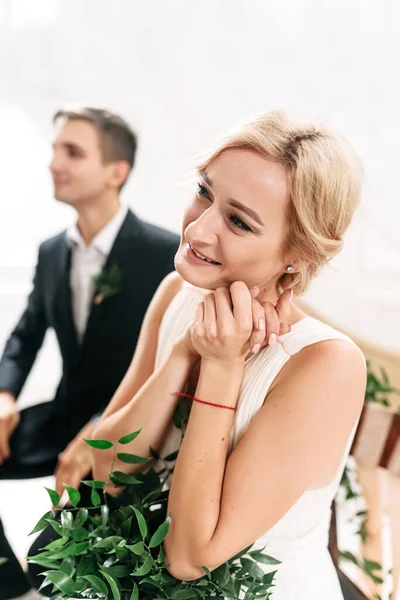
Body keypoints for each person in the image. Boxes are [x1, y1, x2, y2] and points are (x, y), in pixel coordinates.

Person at [86, 110, 366, 600]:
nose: (197, 230)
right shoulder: (177, 292)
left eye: (238, 221)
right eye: (204, 192)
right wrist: (183, 352)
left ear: (297, 254)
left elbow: (190, 556)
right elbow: (106, 471)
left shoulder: (326, 364)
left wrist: (221, 367)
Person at [0, 107, 179, 600]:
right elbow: (25, 335)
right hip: (61, 418)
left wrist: (104, 425)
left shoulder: (163, 254)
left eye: (72, 152)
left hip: (126, 434)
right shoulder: (50, 251)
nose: (54, 162)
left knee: (52, 566)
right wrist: (4, 394)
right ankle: (5, 583)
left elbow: (166, 367)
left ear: (115, 173)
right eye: (55, 149)